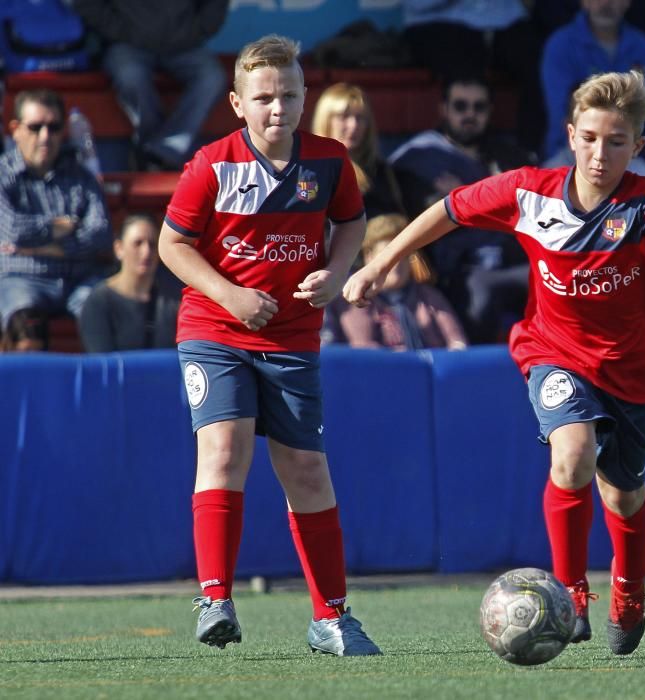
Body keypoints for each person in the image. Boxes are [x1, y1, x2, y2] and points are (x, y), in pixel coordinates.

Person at [344, 70, 645, 655]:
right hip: (553, 352)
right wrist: (380, 265)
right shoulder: (529, 190)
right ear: (570, 135)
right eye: (588, 138)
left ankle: (629, 592)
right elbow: (448, 210)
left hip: (634, 366)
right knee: (573, 454)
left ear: (636, 147)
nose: (599, 153)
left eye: (615, 142)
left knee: (622, 494)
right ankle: (571, 594)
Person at [157, 34, 380, 656]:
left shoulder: (330, 161)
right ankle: (215, 598)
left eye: (288, 95)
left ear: (305, 96)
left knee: (305, 468)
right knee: (224, 451)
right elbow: (171, 246)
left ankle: (332, 617)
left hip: (291, 338)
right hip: (215, 330)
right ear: (237, 102)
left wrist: (336, 273)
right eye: (263, 98)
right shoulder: (212, 165)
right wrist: (230, 296)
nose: (277, 108)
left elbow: (353, 221)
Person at [389, 75, 537, 344]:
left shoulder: (510, 156)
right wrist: (491, 201)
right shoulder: (421, 157)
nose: (470, 114)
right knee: (479, 301)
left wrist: (468, 193)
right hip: (461, 267)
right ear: (443, 109)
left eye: (479, 107)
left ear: (490, 111)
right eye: (460, 106)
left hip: (513, 257)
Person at [541, 0, 645, 222]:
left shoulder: (642, 45)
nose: (606, 3)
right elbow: (560, 112)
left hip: (631, 147)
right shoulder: (561, 45)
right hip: (573, 149)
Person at [0, 88, 112, 335]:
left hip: (79, 281)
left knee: (105, 310)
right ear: (15, 129)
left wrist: (47, 247)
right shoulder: (3, 176)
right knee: (23, 320)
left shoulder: (81, 177)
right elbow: (12, 230)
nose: (44, 136)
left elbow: (101, 233)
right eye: (35, 127)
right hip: (20, 279)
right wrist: (60, 226)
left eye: (54, 127)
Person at [71, 0, 229, 170]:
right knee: (130, 76)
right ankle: (155, 153)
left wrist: (196, 31)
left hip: (185, 45)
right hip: (127, 44)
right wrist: (122, 31)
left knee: (212, 77)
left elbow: (216, 5)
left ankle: (162, 150)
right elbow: (86, 4)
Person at [402, 0, 546, 154]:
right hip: (438, 22)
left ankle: (529, 157)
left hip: (505, 20)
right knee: (464, 67)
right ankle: (457, 154)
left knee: (540, 56)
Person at [334, 213, 467, 351]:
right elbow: (364, 348)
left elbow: (457, 341)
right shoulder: (357, 300)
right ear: (369, 257)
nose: (397, 264)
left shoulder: (428, 296)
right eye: (388, 258)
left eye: (403, 256)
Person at [78, 213, 180, 352]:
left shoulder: (173, 298)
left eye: (152, 244)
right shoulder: (98, 303)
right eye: (137, 243)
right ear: (119, 248)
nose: (146, 252)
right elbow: (102, 364)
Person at [310, 82, 405, 219]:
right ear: (325, 120)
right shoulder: (309, 172)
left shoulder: (383, 173)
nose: (353, 125)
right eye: (344, 117)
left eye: (360, 118)